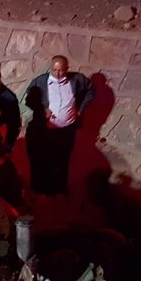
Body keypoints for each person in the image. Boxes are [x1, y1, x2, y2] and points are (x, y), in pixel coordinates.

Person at [24, 56, 94, 196]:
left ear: (67, 69)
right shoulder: (40, 82)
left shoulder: (77, 80)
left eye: (61, 70)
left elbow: (90, 91)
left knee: (63, 160)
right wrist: (42, 110)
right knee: (44, 160)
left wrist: (80, 110)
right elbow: (29, 99)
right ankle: (42, 191)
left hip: (66, 131)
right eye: (54, 70)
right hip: (46, 130)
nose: (57, 73)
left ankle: (59, 190)